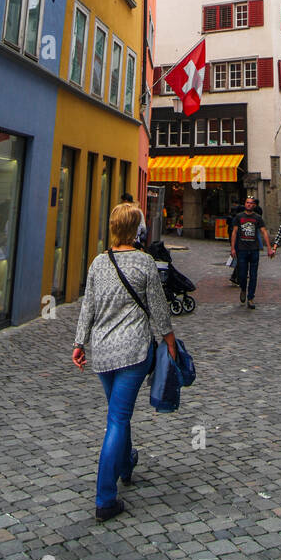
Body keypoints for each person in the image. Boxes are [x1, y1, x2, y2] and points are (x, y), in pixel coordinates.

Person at [72, 201, 176, 522]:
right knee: (117, 419)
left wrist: (79, 343)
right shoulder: (144, 263)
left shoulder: (98, 263)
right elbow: (159, 309)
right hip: (133, 353)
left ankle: (126, 464)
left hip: (103, 353)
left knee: (119, 412)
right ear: (136, 231)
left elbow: (88, 306)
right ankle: (105, 497)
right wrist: (170, 344)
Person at [230, 194, 273, 308]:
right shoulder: (239, 217)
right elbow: (234, 232)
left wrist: (269, 247)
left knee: (253, 275)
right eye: (247, 202)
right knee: (242, 275)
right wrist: (233, 248)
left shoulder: (257, 218)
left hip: (254, 250)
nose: (249, 204)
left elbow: (264, 232)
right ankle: (243, 289)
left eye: (251, 203)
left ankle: (251, 298)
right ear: (245, 204)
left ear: (254, 205)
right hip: (242, 249)